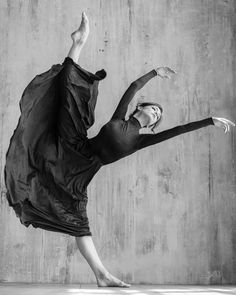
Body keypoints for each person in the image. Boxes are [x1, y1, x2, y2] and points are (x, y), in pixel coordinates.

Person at [4, 12, 235, 288]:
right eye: (153, 107)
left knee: (79, 223)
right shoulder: (119, 118)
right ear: (141, 108)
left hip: (83, 172)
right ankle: (78, 42)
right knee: (68, 92)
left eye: (158, 115)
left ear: (154, 125)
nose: (155, 113)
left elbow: (179, 131)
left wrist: (209, 121)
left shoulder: (141, 140)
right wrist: (154, 72)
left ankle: (102, 275)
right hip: (74, 144)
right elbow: (133, 87)